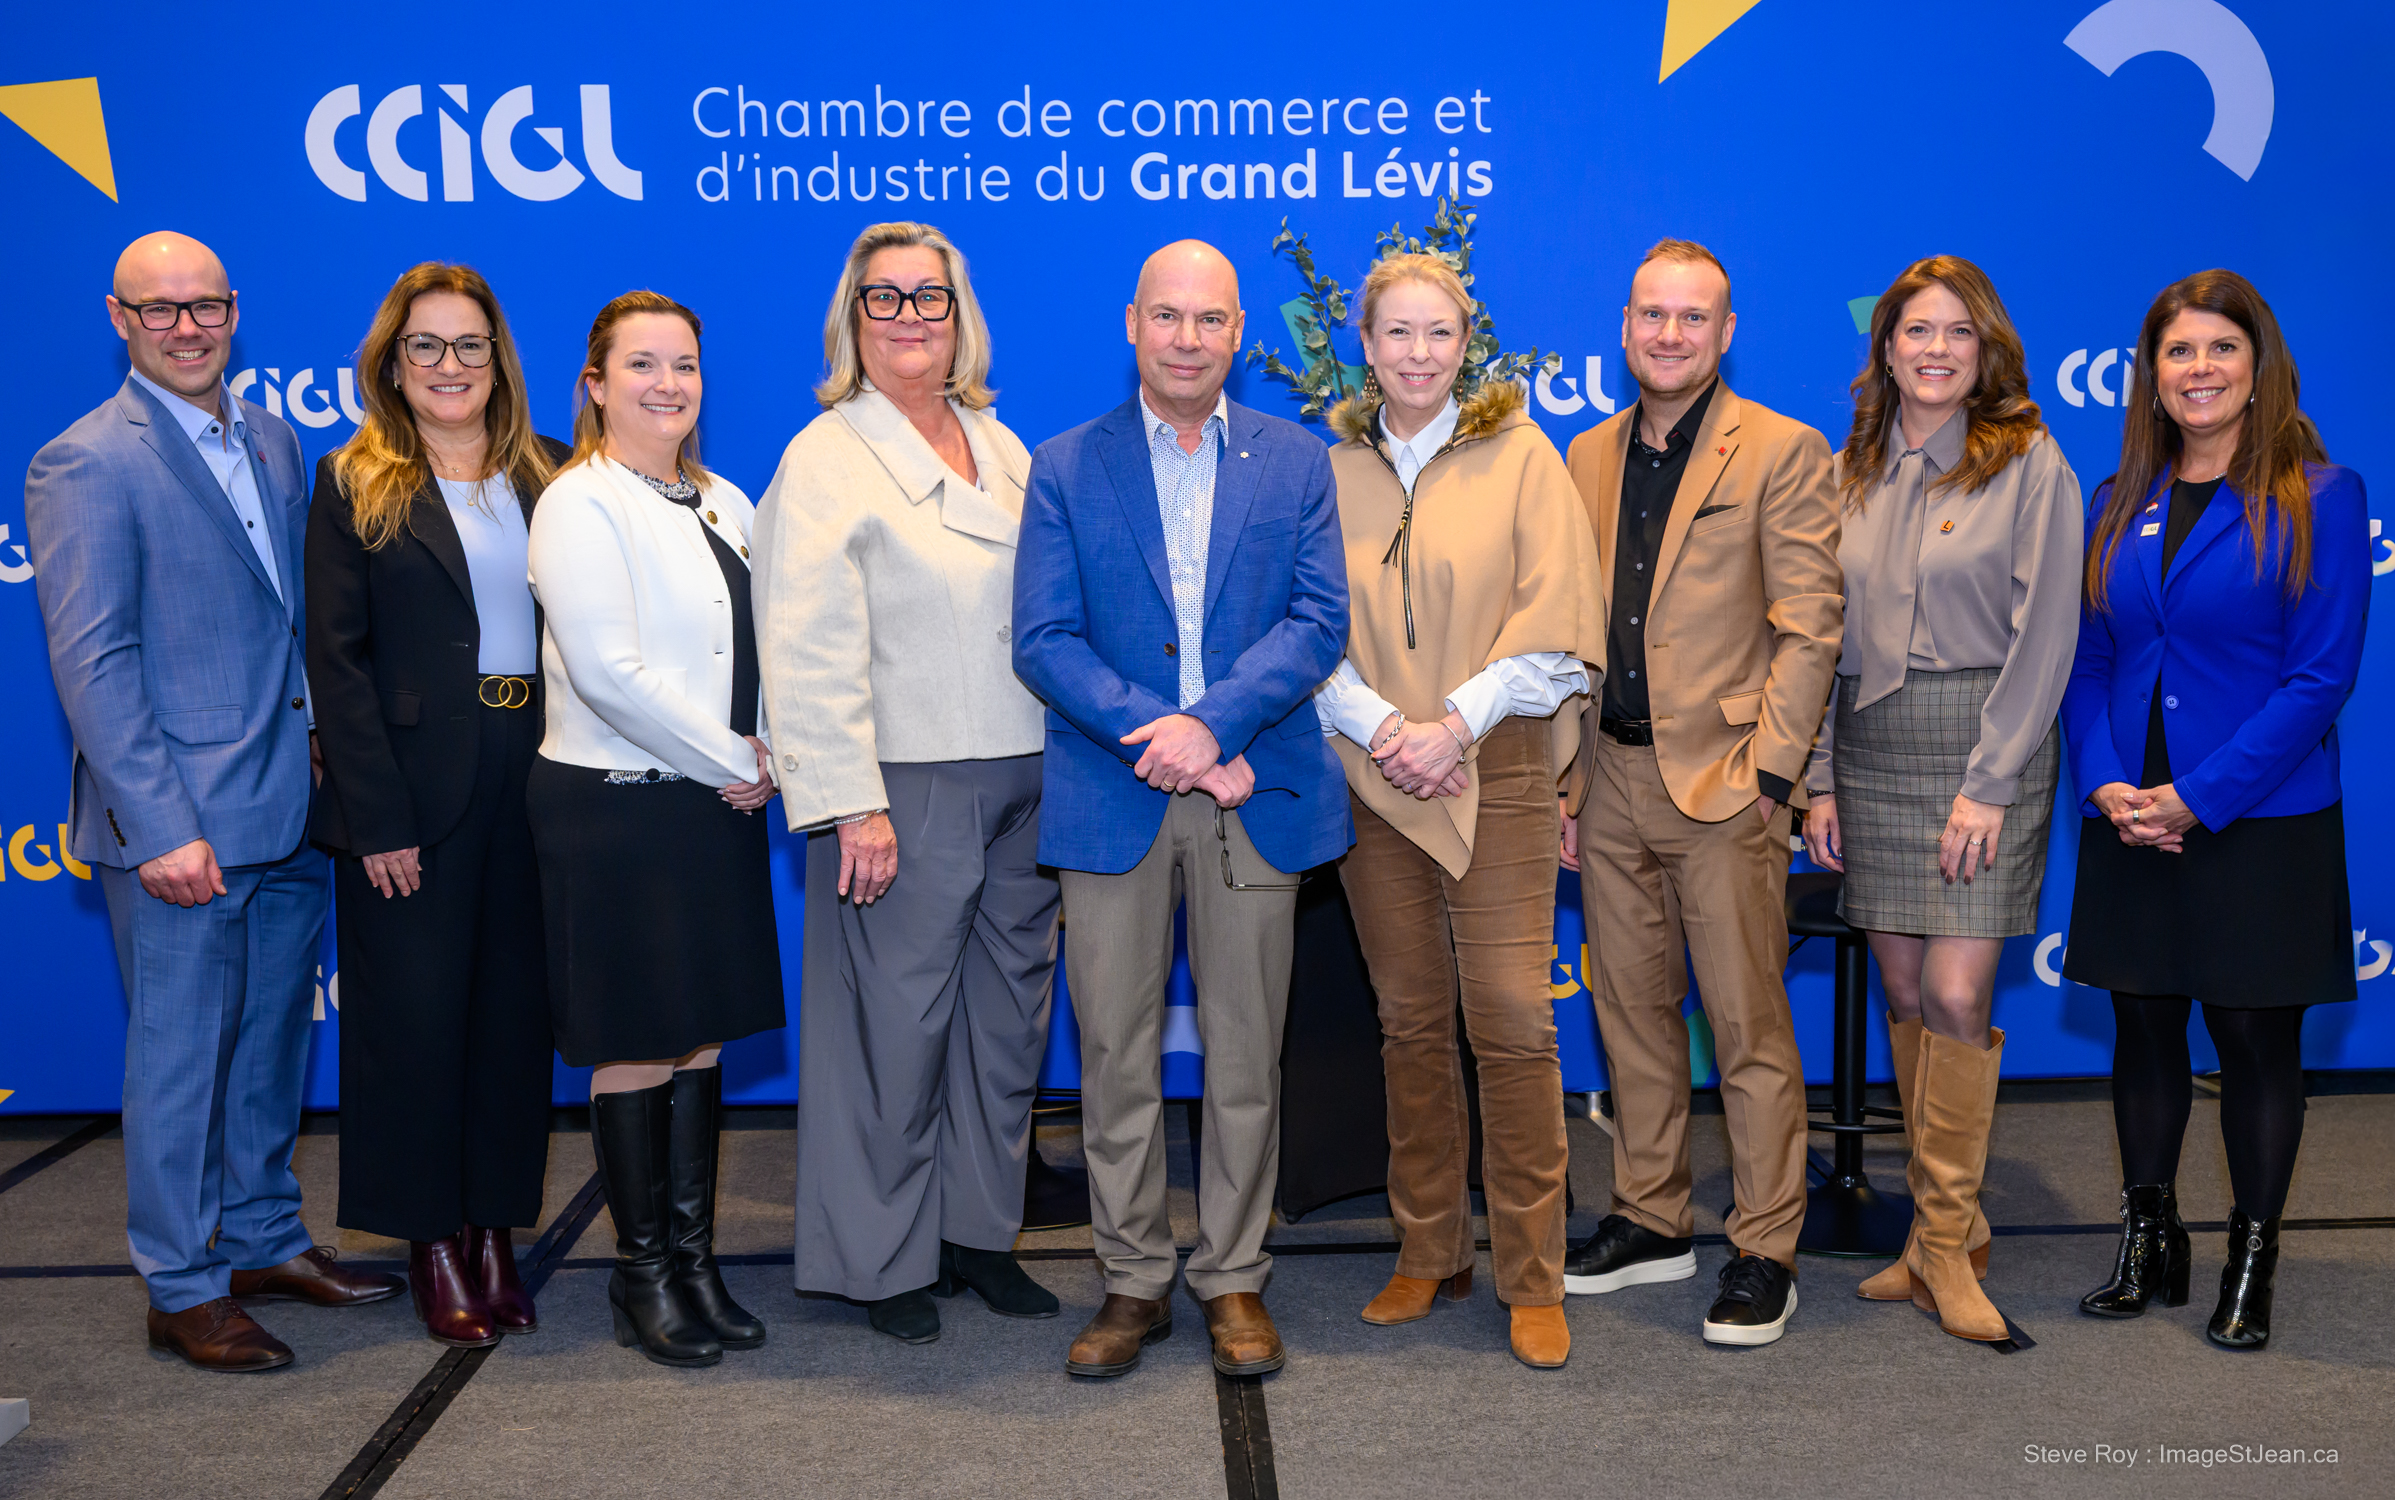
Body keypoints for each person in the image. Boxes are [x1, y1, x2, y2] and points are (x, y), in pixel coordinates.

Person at [23, 232, 402, 1372]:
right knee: (181, 1062)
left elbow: (293, 621)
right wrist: (160, 826)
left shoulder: (276, 440)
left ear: (235, 312)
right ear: (119, 318)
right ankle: (181, 1286)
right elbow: (93, 662)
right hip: (181, 828)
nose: (187, 329)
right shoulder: (85, 462)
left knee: (270, 1046)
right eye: (161, 309)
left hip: (288, 808)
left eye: (206, 307)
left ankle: (261, 1239)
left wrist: (322, 746)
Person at [1013, 240, 1350, 1380]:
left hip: (1253, 788)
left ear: (1239, 332)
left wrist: (1214, 727)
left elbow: (1317, 622)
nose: (1188, 338)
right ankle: (1132, 1277)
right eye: (1167, 316)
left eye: (1210, 319)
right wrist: (1167, 739)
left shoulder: (1297, 461)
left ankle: (1235, 1274)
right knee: (1115, 1052)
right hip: (1113, 792)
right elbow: (1043, 638)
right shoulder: (1065, 466)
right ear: (1132, 323)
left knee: (1246, 1052)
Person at [754, 222, 1059, 1345]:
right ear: (853, 319)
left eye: (929, 297)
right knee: (892, 1033)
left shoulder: (1001, 443)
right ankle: (881, 1261)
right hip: (902, 783)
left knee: (1005, 1025)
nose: (909, 318)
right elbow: (803, 644)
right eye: (883, 299)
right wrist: (849, 802)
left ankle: (978, 1234)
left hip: (1028, 770)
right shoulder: (825, 456)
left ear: (958, 314)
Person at [2062, 270, 2368, 1351]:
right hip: (2129, 810)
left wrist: (2198, 798)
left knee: (2251, 1037)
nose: (2198, 369)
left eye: (2219, 348)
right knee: (2141, 1024)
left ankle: (2250, 1254)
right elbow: (2087, 660)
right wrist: (2103, 780)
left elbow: (2319, 678)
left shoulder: (2321, 496)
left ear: (2257, 365)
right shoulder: (2115, 499)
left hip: (2258, 815)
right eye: (2177, 351)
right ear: (2151, 376)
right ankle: (2149, 1238)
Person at [1314, 254, 1602, 1369]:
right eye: (1396, 333)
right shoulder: (1328, 469)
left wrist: (1453, 726)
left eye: (1438, 333)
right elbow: (1303, 627)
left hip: (1503, 767)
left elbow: (1558, 624)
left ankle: (1533, 1274)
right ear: (1365, 344)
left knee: (1514, 1023)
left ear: (1465, 343)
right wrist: (1387, 729)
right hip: (1372, 772)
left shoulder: (1525, 457)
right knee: (1409, 1023)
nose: (1418, 354)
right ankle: (1430, 1250)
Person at [1557, 239, 1842, 1347]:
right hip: (1609, 776)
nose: (1668, 334)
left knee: (1745, 1025)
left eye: (1692, 317)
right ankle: (1651, 1216)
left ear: (1725, 333)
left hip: (1726, 784)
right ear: (1624, 328)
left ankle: (1765, 1245)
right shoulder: (1585, 453)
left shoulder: (1780, 448)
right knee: (1631, 1014)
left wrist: (1772, 774)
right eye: (1651, 315)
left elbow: (1809, 626)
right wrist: (1569, 780)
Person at [1800, 256, 2082, 1341]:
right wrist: (1820, 778)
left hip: (1984, 745)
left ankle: (1950, 1248)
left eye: (1958, 332)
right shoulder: (1850, 470)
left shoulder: (2029, 462)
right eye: (1916, 330)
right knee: (1906, 995)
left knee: (1959, 998)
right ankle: (1933, 1239)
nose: (1935, 349)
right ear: (1886, 348)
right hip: (1871, 748)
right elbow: (1822, 638)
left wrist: (1988, 784)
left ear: (1986, 350)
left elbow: (2045, 636)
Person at [307, 263, 566, 1347]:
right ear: (393, 362)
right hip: (410, 786)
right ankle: (431, 1244)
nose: (448, 365)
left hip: (536, 768)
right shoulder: (352, 480)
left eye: (469, 345)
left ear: (497, 359)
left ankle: (494, 1231)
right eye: (426, 345)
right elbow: (337, 664)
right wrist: (377, 818)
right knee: (412, 1026)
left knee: (512, 1023)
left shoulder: (552, 470)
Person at [526, 290, 785, 1368]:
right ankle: (641, 1278)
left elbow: (773, 644)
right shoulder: (576, 503)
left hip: (711, 806)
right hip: (619, 806)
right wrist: (739, 762)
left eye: (683, 364)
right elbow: (607, 672)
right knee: (637, 1039)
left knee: (701, 1033)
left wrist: (772, 750)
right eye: (641, 365)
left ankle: (693, 1263)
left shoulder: (726, 499)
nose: (667, 384)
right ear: (595, 386)